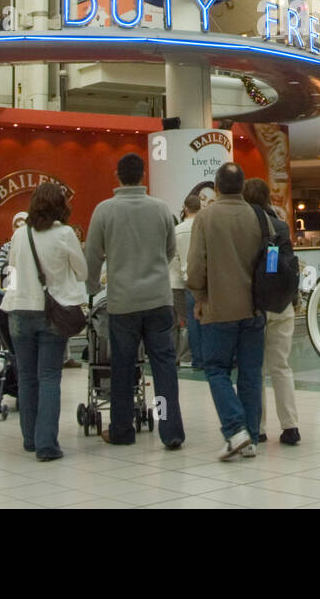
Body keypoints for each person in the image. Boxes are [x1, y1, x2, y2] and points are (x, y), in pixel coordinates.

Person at [85, 153, 185, 450]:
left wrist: (92, 287)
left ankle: (122, 430)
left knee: (123, 368)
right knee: (164, 367)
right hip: (158, 300)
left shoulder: (104, 211)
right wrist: (153, 270)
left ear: (117, 175)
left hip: (122, 302)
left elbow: (93, 254)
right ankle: (170, 430)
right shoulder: (161, 209)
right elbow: (169, 251)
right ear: (143, 175)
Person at [1, 182, 87, 462]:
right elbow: (83, 272)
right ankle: (46, 444)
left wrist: (18, 290)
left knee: (26, 377)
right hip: (52, 311)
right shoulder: (64, 234)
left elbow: (11, 272)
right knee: (49, 377)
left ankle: (30, 438)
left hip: (18, 310)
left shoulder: (19, 235)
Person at [186, 161, 265, 461]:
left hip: (217, 309)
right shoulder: (257, 216)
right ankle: (252, 438)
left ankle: (235, 429)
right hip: (254, 309)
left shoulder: (205, 218)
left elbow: (195, 268)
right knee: (250, 373)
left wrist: (199, 297)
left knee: (216, 369)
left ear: (216, 188)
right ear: (242, 187)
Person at [244, 178, 299, 448]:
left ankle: (259, 427)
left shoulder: (244, 226)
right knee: (281, 367)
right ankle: (290, 427)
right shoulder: (280, 226)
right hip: (282, 304)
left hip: (254, 307)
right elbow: (283, 264)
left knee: (255, 369)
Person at [175, 194, 203, 370]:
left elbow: (173, 258)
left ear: (185, 208)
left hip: (186, 281)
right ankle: (208, 358)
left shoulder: (177, 230)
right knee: (208, 321)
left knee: (192, 321)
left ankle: (197, 359)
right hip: (204, 279)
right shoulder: (205, 227)